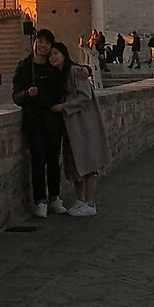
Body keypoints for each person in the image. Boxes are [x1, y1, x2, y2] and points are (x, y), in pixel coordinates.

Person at [11, 30, 70, 217]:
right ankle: (40, 201)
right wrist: (28, 94)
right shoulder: (24, 67)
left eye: (47, 42)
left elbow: (71, 66)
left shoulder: (54, 64)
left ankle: (54, 198)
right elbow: (16, 96)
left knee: (54, 161)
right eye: (40, 41)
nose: (43, 45)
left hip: (53, 121)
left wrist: (87, 70)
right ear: (34, 43)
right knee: (38, 162)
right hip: (34, 121)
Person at [53, 43, 105, 217]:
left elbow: (85, 96)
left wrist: (64, 107)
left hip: (83, 124)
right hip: (71, 126)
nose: (53, 57)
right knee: (76, 165)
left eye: (56, 53)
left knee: (88, 164)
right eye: (50, 55)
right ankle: (80, 200)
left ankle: (90, 203)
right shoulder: (60, 74)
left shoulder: (75, 71)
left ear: (64, 54)